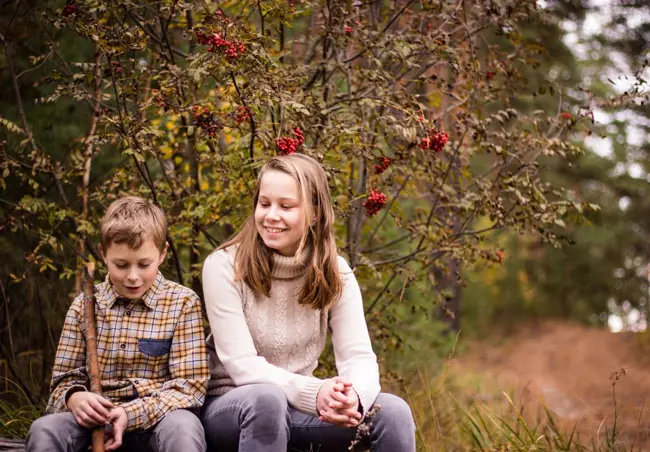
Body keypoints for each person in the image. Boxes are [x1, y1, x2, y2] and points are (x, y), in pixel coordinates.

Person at [200, 153, 416, 451]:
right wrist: (315, 393)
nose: (271, 215)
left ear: (314, 213)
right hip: (231, 408)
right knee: (266, 399)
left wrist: (352, 397)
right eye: (264, 204)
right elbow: (242, 366)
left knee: (392, 413)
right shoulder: (224, 267)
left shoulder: (335, 272)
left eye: (286, 206)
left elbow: (358, 358)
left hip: (299, 410)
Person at [26, 196, 210, 452]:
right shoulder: (84, 306)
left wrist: (129, 413)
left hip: (158, 420)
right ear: (103, 254)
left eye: (144, 265)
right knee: (44, 430)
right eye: (121, 265)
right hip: (94, 424)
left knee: (184, 428)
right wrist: (75, 398)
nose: (133, 276)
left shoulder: (182, 303)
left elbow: (190, 389)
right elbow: (61, 385)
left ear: (163, 253)